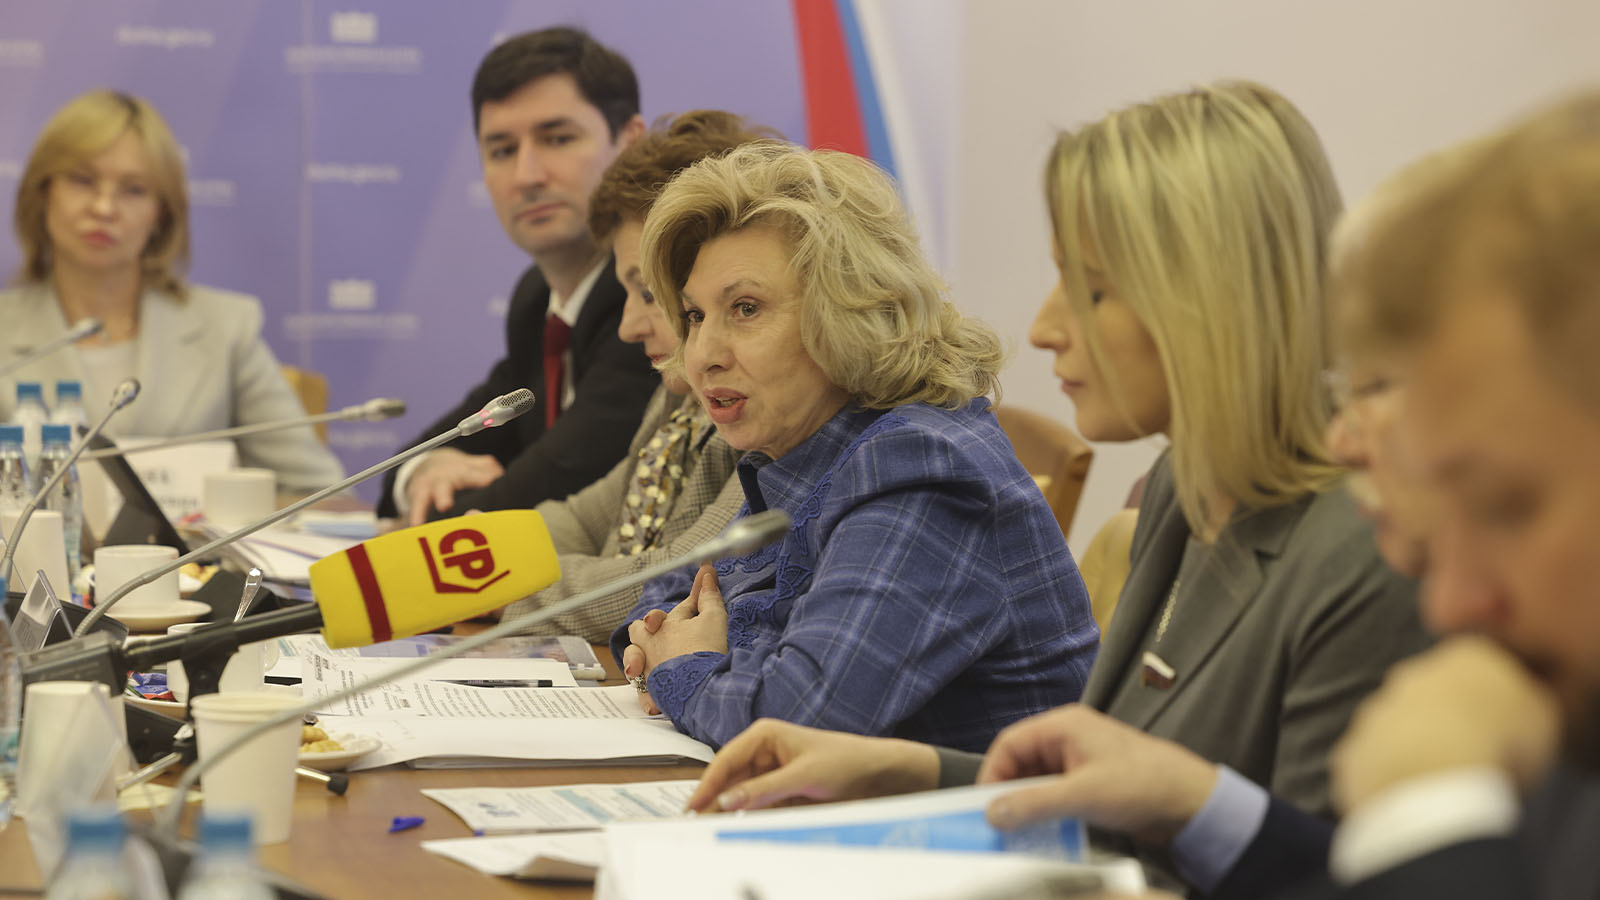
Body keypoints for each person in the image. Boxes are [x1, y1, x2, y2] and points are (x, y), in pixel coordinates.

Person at [685, 81, 1428, 839]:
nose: (1043, 328)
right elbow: (1126, 793)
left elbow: (1325, 871)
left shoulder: (1361, 548)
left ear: (1215, 296)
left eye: (1091, 289)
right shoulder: (1185, 487)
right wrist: (910, 771)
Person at [612, 142, 1100, 752]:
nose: (703, 354)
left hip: (978, 814)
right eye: (694, 316)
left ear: (852, 311)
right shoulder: (801, 452)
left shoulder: (922, 467)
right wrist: (679, 648)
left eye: (745, 308)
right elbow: (675, 596)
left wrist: (685, 668)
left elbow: (793, 722)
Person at [496, 110, 774, 642]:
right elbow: (580, 519)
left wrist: (509, 587)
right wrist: (460, 562)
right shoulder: (679, 401)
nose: (627, 326)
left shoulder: (758, 406)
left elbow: (685, 573)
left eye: (647, 292)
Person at [377, 27, 657, 525]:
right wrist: (424, 471)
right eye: (503, 150)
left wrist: (436, 505)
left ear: (630, 142)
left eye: (557, 139)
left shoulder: (653, 299)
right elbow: (421, 457)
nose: (527, 176)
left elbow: (550, 488)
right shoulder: (536, 301)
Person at [1, 90, 342, 492]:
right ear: (43, 192)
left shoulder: (225, 329)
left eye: (133, 190)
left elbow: (316, 490)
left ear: (161, 213)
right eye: (83, 180)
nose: (104, 208)